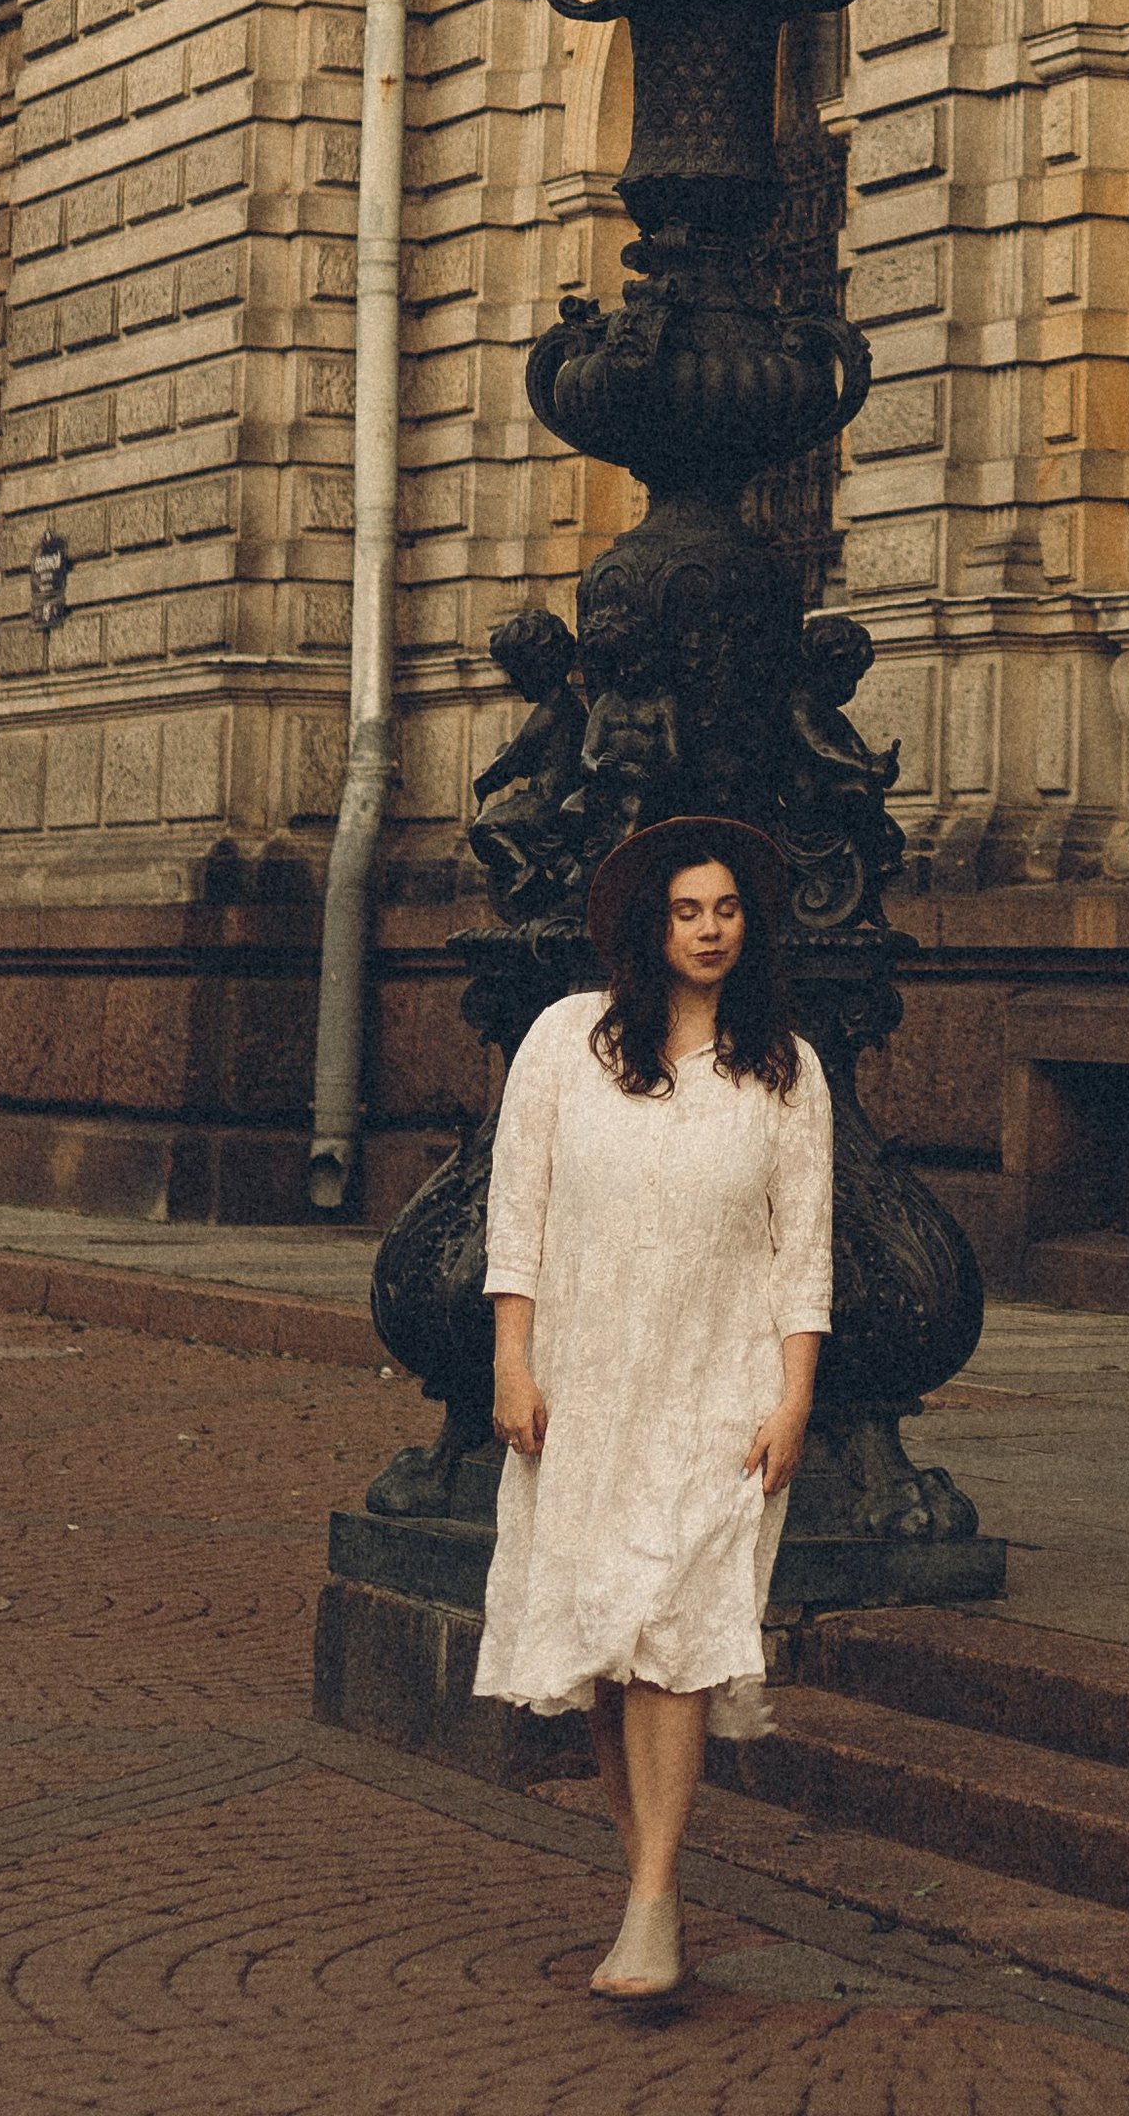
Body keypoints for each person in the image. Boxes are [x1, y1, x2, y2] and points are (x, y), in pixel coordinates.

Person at [475, 813, 831, 2000]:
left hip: (715, 1393)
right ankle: (652, 1890)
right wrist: (511, 1364)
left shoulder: (783, 1064)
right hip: (587, 1384)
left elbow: (804, 1255)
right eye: (688, 910)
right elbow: (514, 1219)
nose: (711, 930)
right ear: (649, 923)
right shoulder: (563, 1042)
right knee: (613, 1641)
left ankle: (650, 1902)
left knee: (673, 1637)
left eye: (727, 909)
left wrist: (794, 1398)